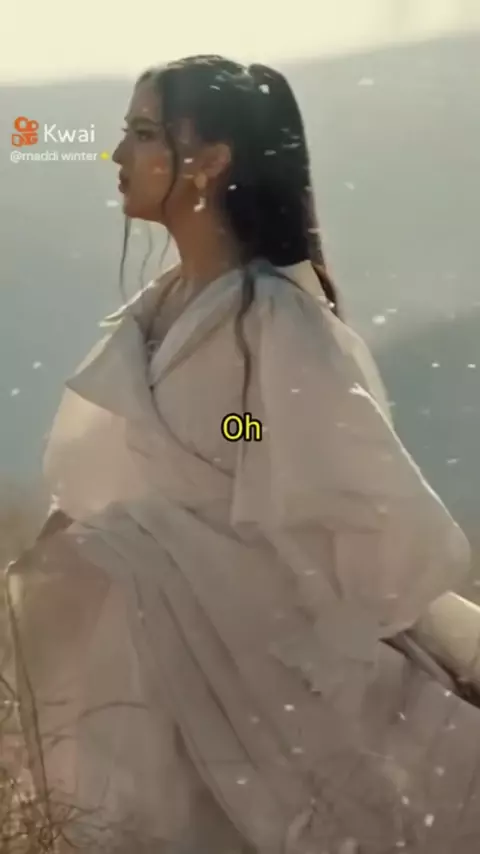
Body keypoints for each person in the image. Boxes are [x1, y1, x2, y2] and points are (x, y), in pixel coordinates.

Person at [5, 55, 480, 854]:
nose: (119, 155)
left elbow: (323, 459)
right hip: (173, 623)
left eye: (144, 133)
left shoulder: (276, 319)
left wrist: (230, 436)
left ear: (210, 160)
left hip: (252, 629)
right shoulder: (159, 310)